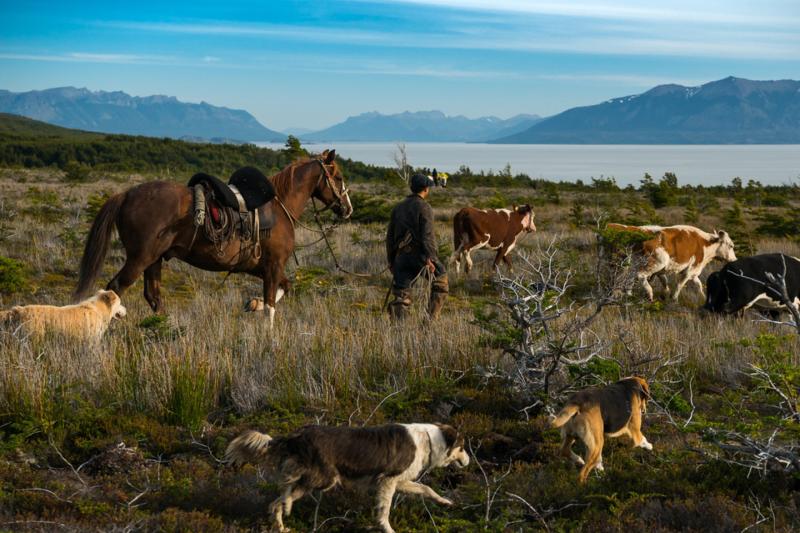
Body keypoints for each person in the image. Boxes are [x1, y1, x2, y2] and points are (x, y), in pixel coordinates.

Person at [385, 173, 448, 320]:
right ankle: (430, 321)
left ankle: (399, 328)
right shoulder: (424, 207)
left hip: (401, 257)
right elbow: (427, 236)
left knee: (401, 295)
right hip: (420, 257)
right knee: (441, 280)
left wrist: (391, 260)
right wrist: (431, 258)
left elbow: (389, 237)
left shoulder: (398, 208)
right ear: (426, 189)